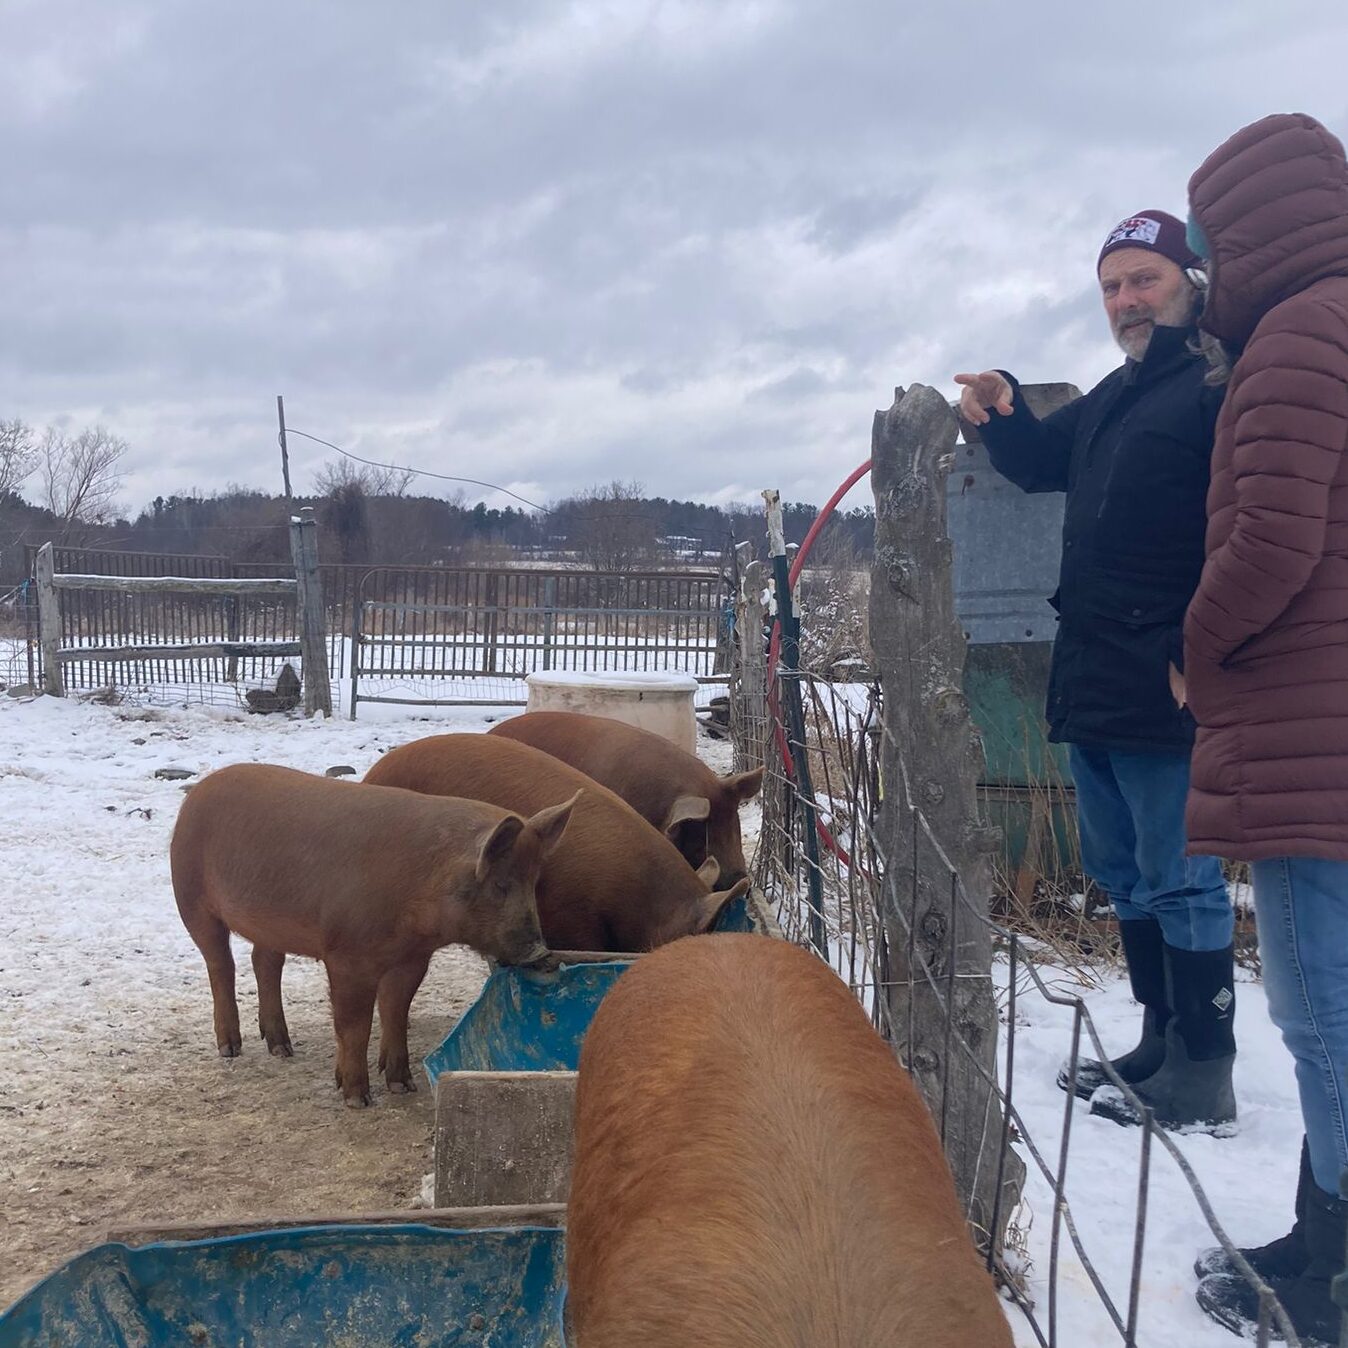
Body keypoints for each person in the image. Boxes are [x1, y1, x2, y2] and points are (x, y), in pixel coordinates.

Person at [955, 208, 1237, 1133]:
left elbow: (1244, 526)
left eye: (1144, 279)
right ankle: (1159, 1040)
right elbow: (1038, 462)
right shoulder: (1119, 394)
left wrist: (1199, 648)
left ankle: (1207, 1065)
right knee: (1123, 870)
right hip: (1092, 668)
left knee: (1182, 874)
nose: (1126, 299)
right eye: (1113, 285)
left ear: (1190, 281)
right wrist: (999, 404)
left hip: (1168, 673)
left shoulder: (1213, 389)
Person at [1177, 112, 1348, 1348]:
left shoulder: (1295, 338)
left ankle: (1330, 1278)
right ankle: (1318, 1230)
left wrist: (1197, 641)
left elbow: (1273, 543)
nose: (1200, 276)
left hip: (1307, 723)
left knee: (1320, 1004)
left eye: (1205, 248)